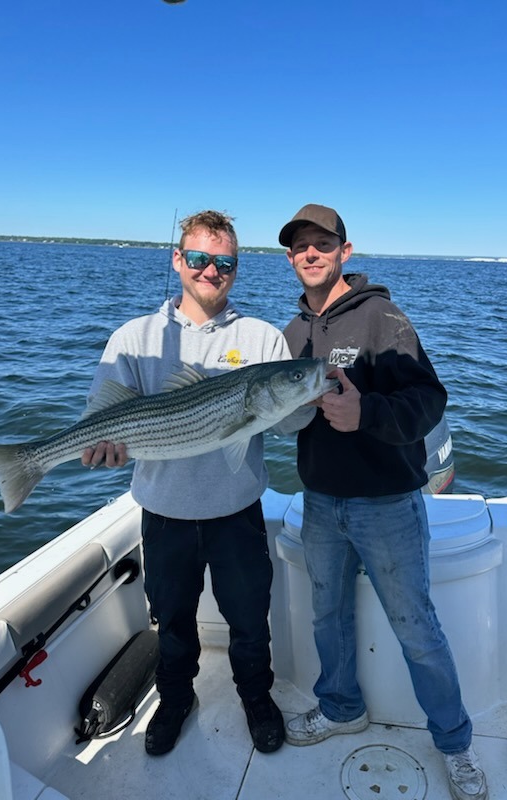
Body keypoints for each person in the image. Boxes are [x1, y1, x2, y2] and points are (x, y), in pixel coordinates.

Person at [82, 210, 311, 757]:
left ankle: (257, 699)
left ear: (236, 268)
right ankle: (176, 699)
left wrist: (310, 393)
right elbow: (100, 418)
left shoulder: (261, 338)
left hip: (237, 512)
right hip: (164, 514)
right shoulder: (135, 337)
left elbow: (288, 423)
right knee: (174, 622)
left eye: (224, 261)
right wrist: (104, 449)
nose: (213, 271)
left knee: (250, 621)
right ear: (179, 261)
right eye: (201, 259)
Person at [277, 203, 488, 800]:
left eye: (322, 243)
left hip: (387, 503)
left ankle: (456, 743)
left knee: (416, 627)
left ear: (346, 251)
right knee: (327, 616)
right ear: (291, 258)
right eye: (299, 247)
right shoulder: (291, 334)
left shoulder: (382, 317)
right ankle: (341, 706)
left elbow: (430, 398)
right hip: (320, 500)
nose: (310, 254)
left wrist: (365, 411)